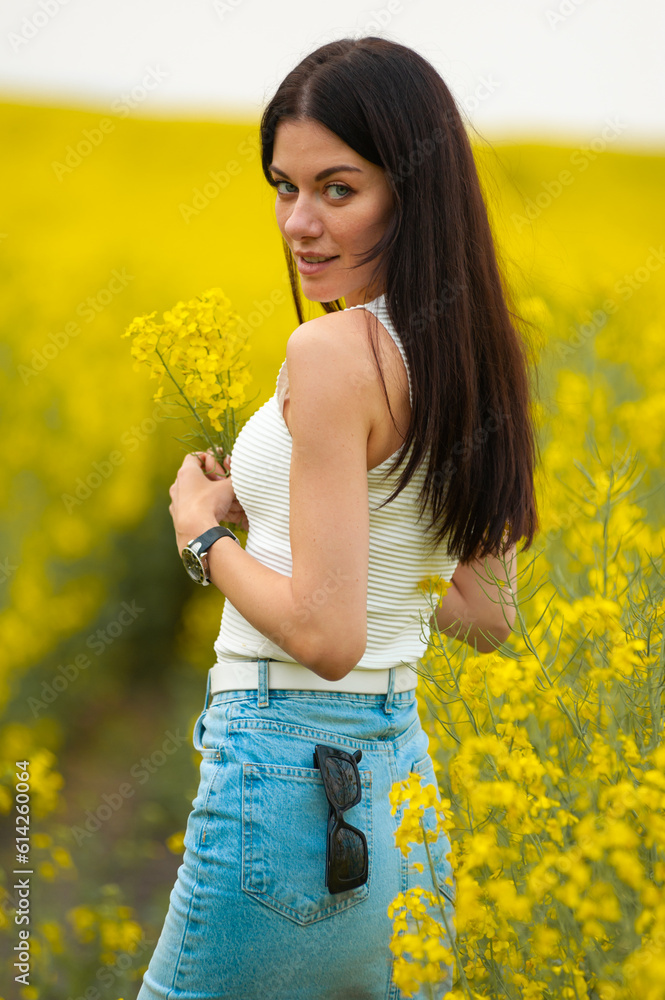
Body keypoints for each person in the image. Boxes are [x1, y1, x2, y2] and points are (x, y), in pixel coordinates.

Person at [136, 35, 539, 1000]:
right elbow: (485, 617)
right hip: (397, 781)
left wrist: (203, 530)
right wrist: (311, 538)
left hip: (285, 765)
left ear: (412, 190)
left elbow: (324, 633)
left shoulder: (331, 354)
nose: (299, 224)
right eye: (285, 187)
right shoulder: (470, 352)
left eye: (337, 190)